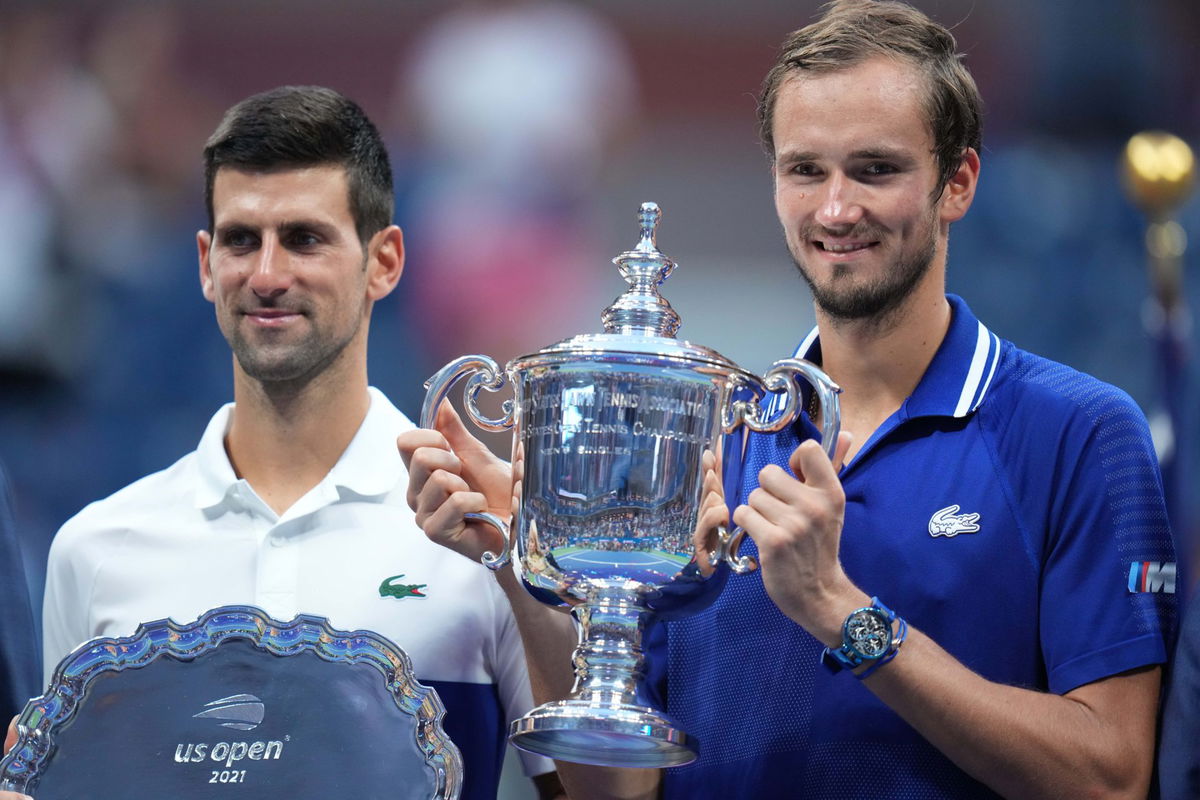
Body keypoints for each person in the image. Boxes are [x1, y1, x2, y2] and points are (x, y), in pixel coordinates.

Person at [399, 1, 1178, 797]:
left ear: (958, 183)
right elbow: (619, 790)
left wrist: (840, 612)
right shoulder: (717, 438)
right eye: (806, 170)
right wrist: (519, 560)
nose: (836, 210)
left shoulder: (1078, 429)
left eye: (875, 169)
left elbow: (1109, 776)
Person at [36, 86, 560, 800]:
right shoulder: (96, 550)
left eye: (305, 238)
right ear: (204, 262)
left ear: (384, 262)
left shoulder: (478, 537)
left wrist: (516, 574)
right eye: (241, 240)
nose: (268, 275)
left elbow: (604, 791)